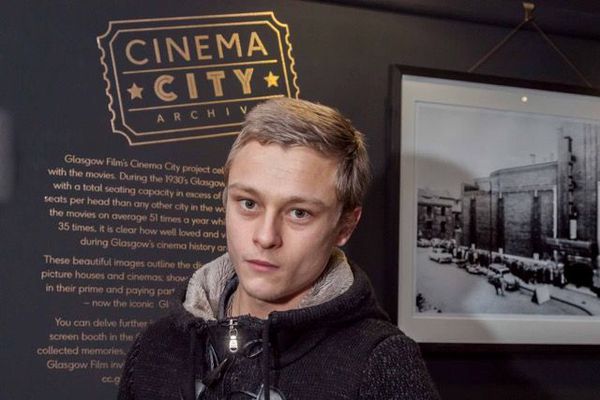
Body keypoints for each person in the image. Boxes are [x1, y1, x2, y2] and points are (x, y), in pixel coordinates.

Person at [117, 98, 439, 399]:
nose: (266, 236)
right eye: (248, 203)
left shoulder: (383, 365)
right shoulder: (156, 347)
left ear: (345, 226)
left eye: (299, 213)